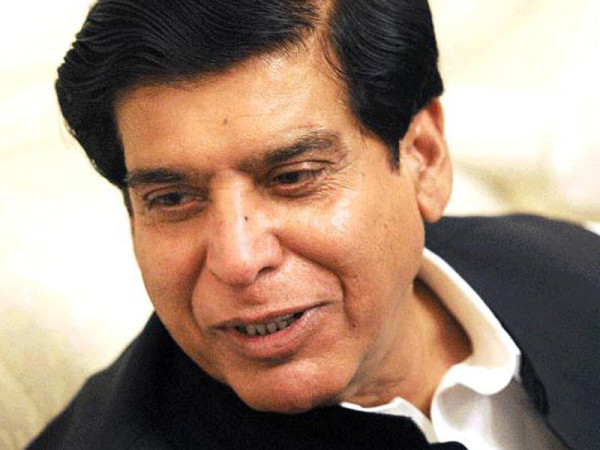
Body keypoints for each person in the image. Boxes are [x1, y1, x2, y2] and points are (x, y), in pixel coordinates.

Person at [28, 0, 599, 449]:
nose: (238, 260)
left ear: (422, 159)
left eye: (293, 177)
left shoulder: (572, 268)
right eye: (173, 198)